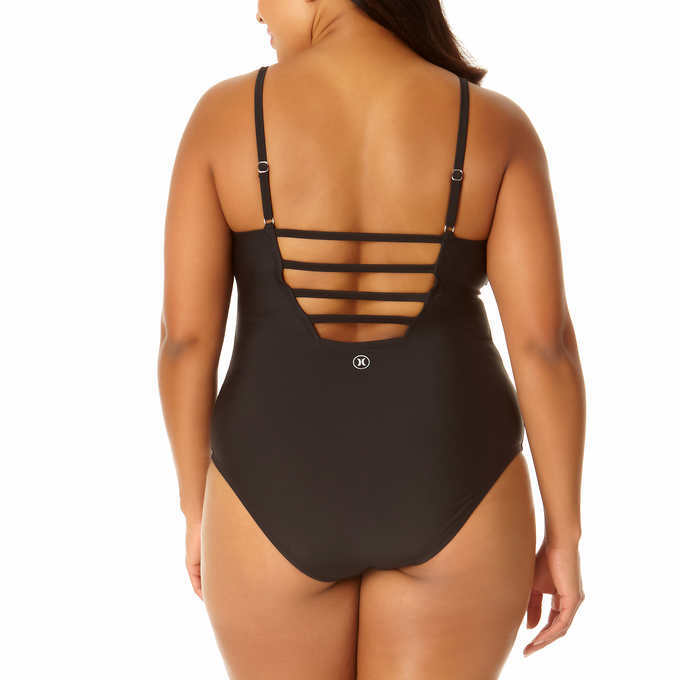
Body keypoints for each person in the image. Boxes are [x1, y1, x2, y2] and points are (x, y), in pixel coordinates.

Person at [158, 1, 586, 677]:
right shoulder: (495, 126)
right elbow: (545, 347)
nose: (257, 11)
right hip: (459, 481)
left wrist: (195, 508)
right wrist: (564, 533)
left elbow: (185, 343)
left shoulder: (225, 117)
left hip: (269, 488)